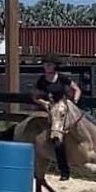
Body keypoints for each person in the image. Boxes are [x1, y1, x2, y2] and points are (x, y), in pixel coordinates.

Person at [32, 52, 82, 181]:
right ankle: (64, 170)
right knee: (57, 138)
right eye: (45, 65)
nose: (47, 67)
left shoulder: (62, 77)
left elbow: (76, 89)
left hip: (63, 106)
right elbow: (35, 96)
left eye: (49, 65)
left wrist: (75, 100)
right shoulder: (42, 80)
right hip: (50, 109)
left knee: (84, 120)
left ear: (54, 66)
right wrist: (43, 102)